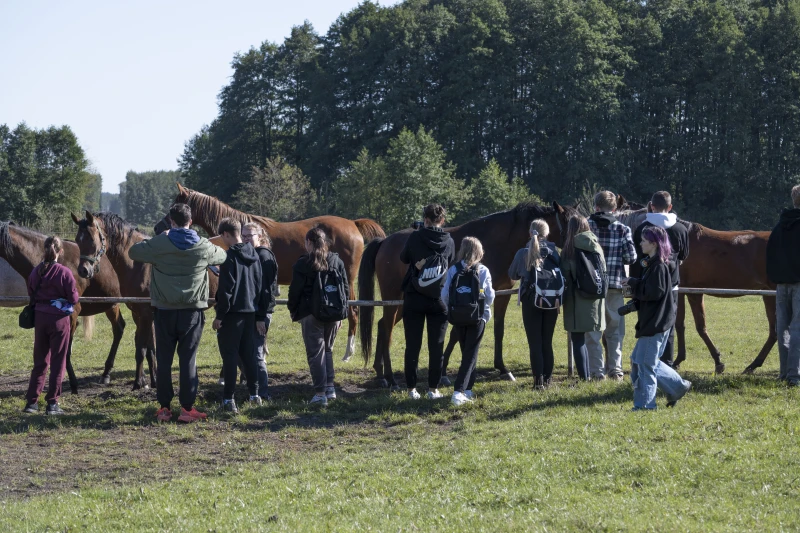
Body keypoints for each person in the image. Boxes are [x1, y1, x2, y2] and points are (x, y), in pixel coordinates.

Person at [129, 202, 227, 423]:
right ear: (190, 221)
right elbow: (221, 256)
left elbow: (133, 252)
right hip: (192, 312)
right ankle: (187, 408)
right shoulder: (202, 245)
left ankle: (164, 408)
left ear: (171, 221)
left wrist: (160, 239)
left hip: (164, 311)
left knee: (164, 361)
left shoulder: (160, 243)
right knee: (188, 360)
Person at [623, 226, 692, 409]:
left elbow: (654, 293)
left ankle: (645, 406)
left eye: (644, 240)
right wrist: (636, 286)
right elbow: (653, 291)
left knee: (645, 364)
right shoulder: (653, 264)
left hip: (656, 322)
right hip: (654, 320)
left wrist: (633, 284)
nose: (640, 243)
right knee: (639, 360)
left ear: (653, 243)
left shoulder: (659, 266)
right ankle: (677, 387)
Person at [400, 203, 456, 399]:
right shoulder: (449, 240)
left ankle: (411, 389)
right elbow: (449, 262)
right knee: (437, 346)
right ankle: (433, 389)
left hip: (414, 296)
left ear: (425, 219)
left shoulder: (416, 236)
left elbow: (403, 258)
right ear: (442, 221)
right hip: (437, 299)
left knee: (412, 345)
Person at [288, 228, 349, 406]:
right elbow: (345, 288)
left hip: (310, 313)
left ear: (308, 242)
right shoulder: (336, 260)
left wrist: (293, 309)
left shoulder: (304, 263)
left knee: (316, 353)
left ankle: (320, 393)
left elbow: (295, 291)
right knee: (327, 350)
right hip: (333, 312)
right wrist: (341, 313)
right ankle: (330, 388)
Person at [630, 191, 690, 366]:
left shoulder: (642, 229)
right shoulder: (681, 229)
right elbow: (684, 256)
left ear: (651, 206)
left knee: (647, 326)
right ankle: (667, 367)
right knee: (668, 328)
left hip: (647, 285)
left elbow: (636, 258)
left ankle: (648, 366)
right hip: (671, 286)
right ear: (670, 207)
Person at [213, 218, 266, 413]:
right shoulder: (254, 254)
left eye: (222, 236)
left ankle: (229, 400)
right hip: (250, 311)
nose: (222, 240)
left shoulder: (228, 257)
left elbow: (226, 289)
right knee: (249, 355)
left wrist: (220, 316)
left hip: (233, 314)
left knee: (230, 357)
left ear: (227, 234)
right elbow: (259, 284)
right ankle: (255, 395)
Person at [22, 236, 79, 415]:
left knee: (40, 361)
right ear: (60, 252)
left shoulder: (35, 272)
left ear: (44, 250)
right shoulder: (64, 272)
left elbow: (31, 291)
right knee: (57, 361)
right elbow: (74, 298)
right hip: (59, 321)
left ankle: (32, 402)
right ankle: (52, 403)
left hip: (40, 318)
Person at [587, 191, 637, 380]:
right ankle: (615, 370)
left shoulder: (586, 226)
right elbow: (630, 257)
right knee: (614, 331)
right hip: (615, 285)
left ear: (596, 207)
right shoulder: (623, 230)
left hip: (591, 286)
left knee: (593, 332)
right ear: (615, 209)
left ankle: (596, 372)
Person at [442, 237, 495, 406]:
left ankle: (469, 389)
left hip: (458, 317)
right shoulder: (483, 270)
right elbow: (490, 297)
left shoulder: (453, 270)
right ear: (479, 251)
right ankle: (458, 392)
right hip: (477, 316)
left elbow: (444, 295)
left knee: (468, 352)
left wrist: (453, 308)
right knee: (470, 355)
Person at [508, 219, 561, 389]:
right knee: (547, 341)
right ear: (547, 234)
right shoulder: (555, 252)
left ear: (530, 233)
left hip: (531, 300)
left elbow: (513, 274)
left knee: (535, 342)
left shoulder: (523, 253)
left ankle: (538, 382)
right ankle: (548, 379)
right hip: (553, 300)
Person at [560, 215, 605, 380]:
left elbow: (566, 275)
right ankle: (594, 373)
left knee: (577, 340)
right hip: (595, 300)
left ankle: (584, 377)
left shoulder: (569, 249)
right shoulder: (596, 245)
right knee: (591, 340)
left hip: (575, 300)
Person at [766, 184, 800, 386]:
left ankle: (784, 372)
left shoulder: (779, 226)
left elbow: (770, 254)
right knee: (797, 329)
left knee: (783, 328)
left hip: (781, 284)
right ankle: (794, 375)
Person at [242, 222, 278, 400]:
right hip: (251, 312)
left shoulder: (263, 257)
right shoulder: (251, 254)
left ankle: (263, 393)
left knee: (256, 353)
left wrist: (261, 317)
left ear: (260, 236)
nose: (247, 239)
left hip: (260, 313)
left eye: (250, 235)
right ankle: (254, 388)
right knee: (246, 351)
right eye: (244, 235)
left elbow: (265, 291)